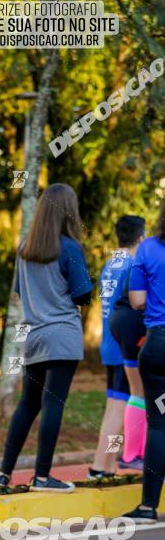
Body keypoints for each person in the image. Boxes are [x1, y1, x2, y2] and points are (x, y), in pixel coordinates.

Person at [0, 183, 93, 493]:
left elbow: (20, 292)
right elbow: (82, 293)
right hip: (62, 333)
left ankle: (4, 473)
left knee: (27, 404)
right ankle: (43, 477)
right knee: (53, 403)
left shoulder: (24, 248)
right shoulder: (70, 248)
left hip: (32, 335)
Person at [89, 216, 146, 480]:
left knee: (114, 404)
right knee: (123, 405)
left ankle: (105, 464)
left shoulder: (110, 263)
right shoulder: (134, 264)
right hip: (124, 344)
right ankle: (103, 465)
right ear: (140, 237)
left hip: (109, 342)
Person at [123, 202, 165, 523]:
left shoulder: (147, 248)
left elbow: (136, 300)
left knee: (159, 422)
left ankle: (149, 505)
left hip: (158, 344)